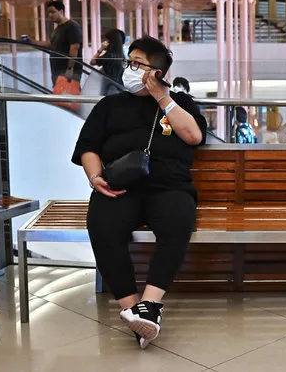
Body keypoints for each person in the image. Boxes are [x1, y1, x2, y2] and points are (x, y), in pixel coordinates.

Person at [71, 36, 207, 349]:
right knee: (103, 228)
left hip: (169, 187)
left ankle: (150, 305)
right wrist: (95, 177)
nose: (129, 69)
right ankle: (134, 310)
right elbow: (88, 147)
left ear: (158, 72)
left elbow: (193, 136)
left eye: (137, 64)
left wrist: (163, 97)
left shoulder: (181, 103)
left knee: (178, 223)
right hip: (119, 185)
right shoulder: (110, 105)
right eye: (129, 62)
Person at [32, 1, 83, 85]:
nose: (50, 15)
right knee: (61, 96)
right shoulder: (57, 29)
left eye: (53, 12)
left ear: (61, 11)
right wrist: (32, 42)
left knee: (70, 96)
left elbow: (74, 48)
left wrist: (70, 69)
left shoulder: (72, 26)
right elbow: (50, 44)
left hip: (67, 72)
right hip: (57, 71)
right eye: (49, 12)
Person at [90, 29, 126, 95]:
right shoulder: (122, 55)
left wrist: (101, 49)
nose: (104, 42)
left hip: (108, 87)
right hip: (119, 87)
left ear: (110, 41)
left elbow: (92, 62)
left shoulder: (109, 55)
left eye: (106, 40)